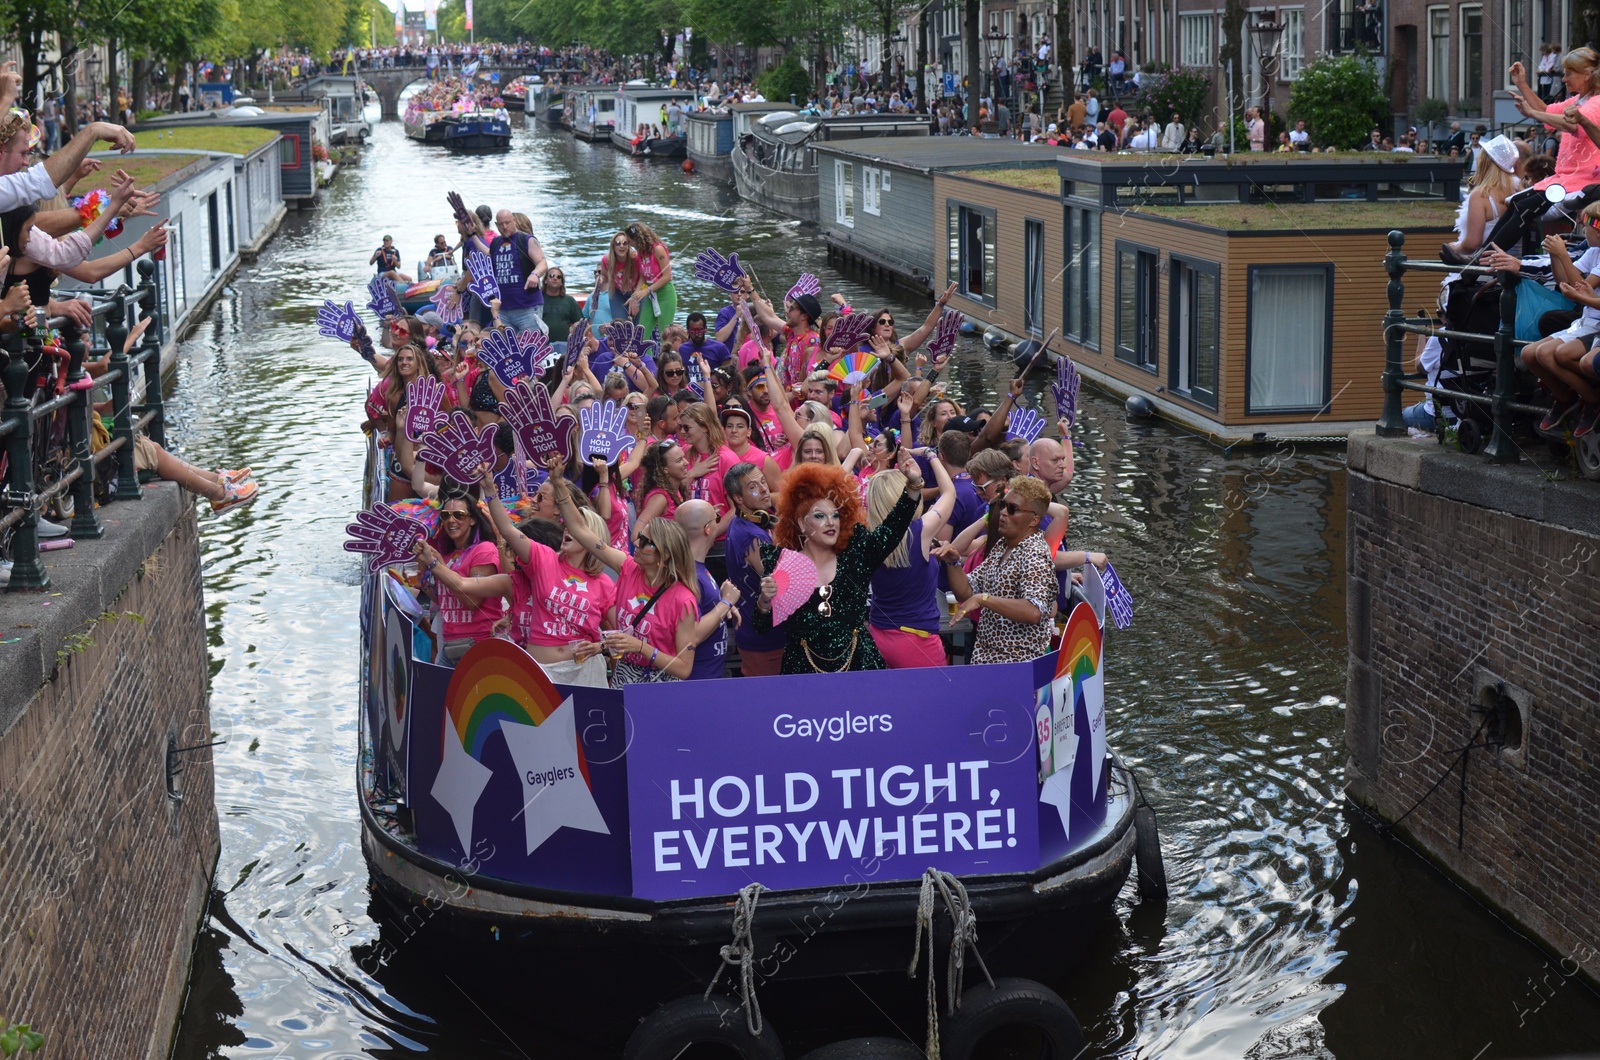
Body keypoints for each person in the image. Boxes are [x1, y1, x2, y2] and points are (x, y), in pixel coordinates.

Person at [751, 454, 923, 675]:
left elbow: (892, 528)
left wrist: (914, 484)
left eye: (835, 515)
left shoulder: (856, 555)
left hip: (860, 668)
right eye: (820, 516)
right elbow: (761, 627)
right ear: (803, 524)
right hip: (803, 674)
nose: (831, 522)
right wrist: (764, 601)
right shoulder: (781, 564)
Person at [547, 455, 700, 684]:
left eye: (646, 542)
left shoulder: (683, 600)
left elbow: (684, 668)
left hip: (660, 687)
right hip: (624, 678)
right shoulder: (628, 567)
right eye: (639, 538)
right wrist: (559, 485)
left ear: (665, 554)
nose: (636, 544)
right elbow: (580, 530)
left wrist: (641, 647)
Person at [943, 476, 1056, 664]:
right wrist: (953, 563)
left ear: (1034, 519)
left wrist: (984, 599)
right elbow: (967, 591)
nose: (1003, 513)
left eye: (1013, 509)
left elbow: (1034, 611)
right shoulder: (1002, 545)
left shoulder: (1034, 555)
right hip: (987, 661)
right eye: (1003, 505)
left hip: (1015, 666)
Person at [864, 450, 956, 668]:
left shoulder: (868, 539)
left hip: (877, 636)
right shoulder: (920, 531)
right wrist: (931, 455)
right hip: (917, 640)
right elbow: (949, 493)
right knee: (930, 701)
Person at [411, 490, 505, 664]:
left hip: (480, 644)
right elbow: (445, 600)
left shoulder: (484, 550)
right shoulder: (448, 554)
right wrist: (422, 581)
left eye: (459, 515)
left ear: (473, 519)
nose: (451, 520)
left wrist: (438, 566)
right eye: (446, 515)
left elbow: (472, 602)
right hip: (450, 645)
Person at [1511, 49, 1600, 191]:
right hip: (1566, 180)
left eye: (1569, 74)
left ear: (1587, 75)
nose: (1564, 79)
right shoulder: (1578, 101)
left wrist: (1532, 113)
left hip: (1581, 183)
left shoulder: (1596, 102)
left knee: (1522, 209)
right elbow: (1545, 112)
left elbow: (1571, 123)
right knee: (1516, 204)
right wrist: (1521, 84)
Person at [675, 499, 744, 680]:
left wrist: (722, 605)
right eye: (717, 518)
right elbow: (692, 635)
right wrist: (726, 602)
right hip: (697, 683)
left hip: (708, 678)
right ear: (707, 529)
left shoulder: (696, 567)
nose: (719, 523)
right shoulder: (689, 574)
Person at [1439, 134, 1518, 266]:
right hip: (1511, 265)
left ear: (1485, 162)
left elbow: (1472, 243)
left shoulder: (1481, 195)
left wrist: (1454, 247)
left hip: (1482, 268)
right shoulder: (1517, 190)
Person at [488, 208, 548, 333]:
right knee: (506, 347)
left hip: (527, 307)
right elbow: (488, 257)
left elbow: (542, 262)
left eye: (507, 223)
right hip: (503, 308)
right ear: (496, 225)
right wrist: (473, 236)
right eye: (501, 224)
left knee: (530, 346)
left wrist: (535, 274)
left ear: (514, 220)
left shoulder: (527, 239)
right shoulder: (495, 242)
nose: (504, 227)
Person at [626, 221, 676, 338]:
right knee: (642, 334)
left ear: (637, 239)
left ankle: (668, 356)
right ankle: (645, 357)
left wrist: (646, 291)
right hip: (651, 295)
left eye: (630, 241)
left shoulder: (658, 249)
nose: (630, 245)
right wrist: (635, 297)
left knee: (666, 335)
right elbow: (643, 278)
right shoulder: (640, 254)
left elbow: (667, 276)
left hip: (665, 294)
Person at [539, 267, 583, 345]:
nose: (555, 278)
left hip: (564, 346)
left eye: (559, 277)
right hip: (540, 346)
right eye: (552, 275)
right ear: (545, 280)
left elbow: (581, 324)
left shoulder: (570, 300)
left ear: (561, 282)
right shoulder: (537, 300)